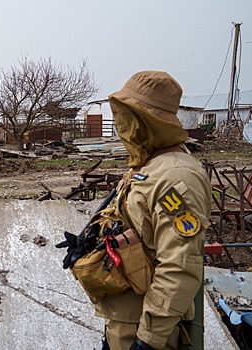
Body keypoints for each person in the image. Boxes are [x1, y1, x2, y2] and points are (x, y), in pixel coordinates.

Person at [88, 71, 211, 349]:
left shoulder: (177, 176)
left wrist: (148, 340)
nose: (122, 126)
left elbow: (179, 267)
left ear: (147, 121)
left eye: (128, 117)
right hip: (124, 319)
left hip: (147, 327)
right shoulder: (149, 166)